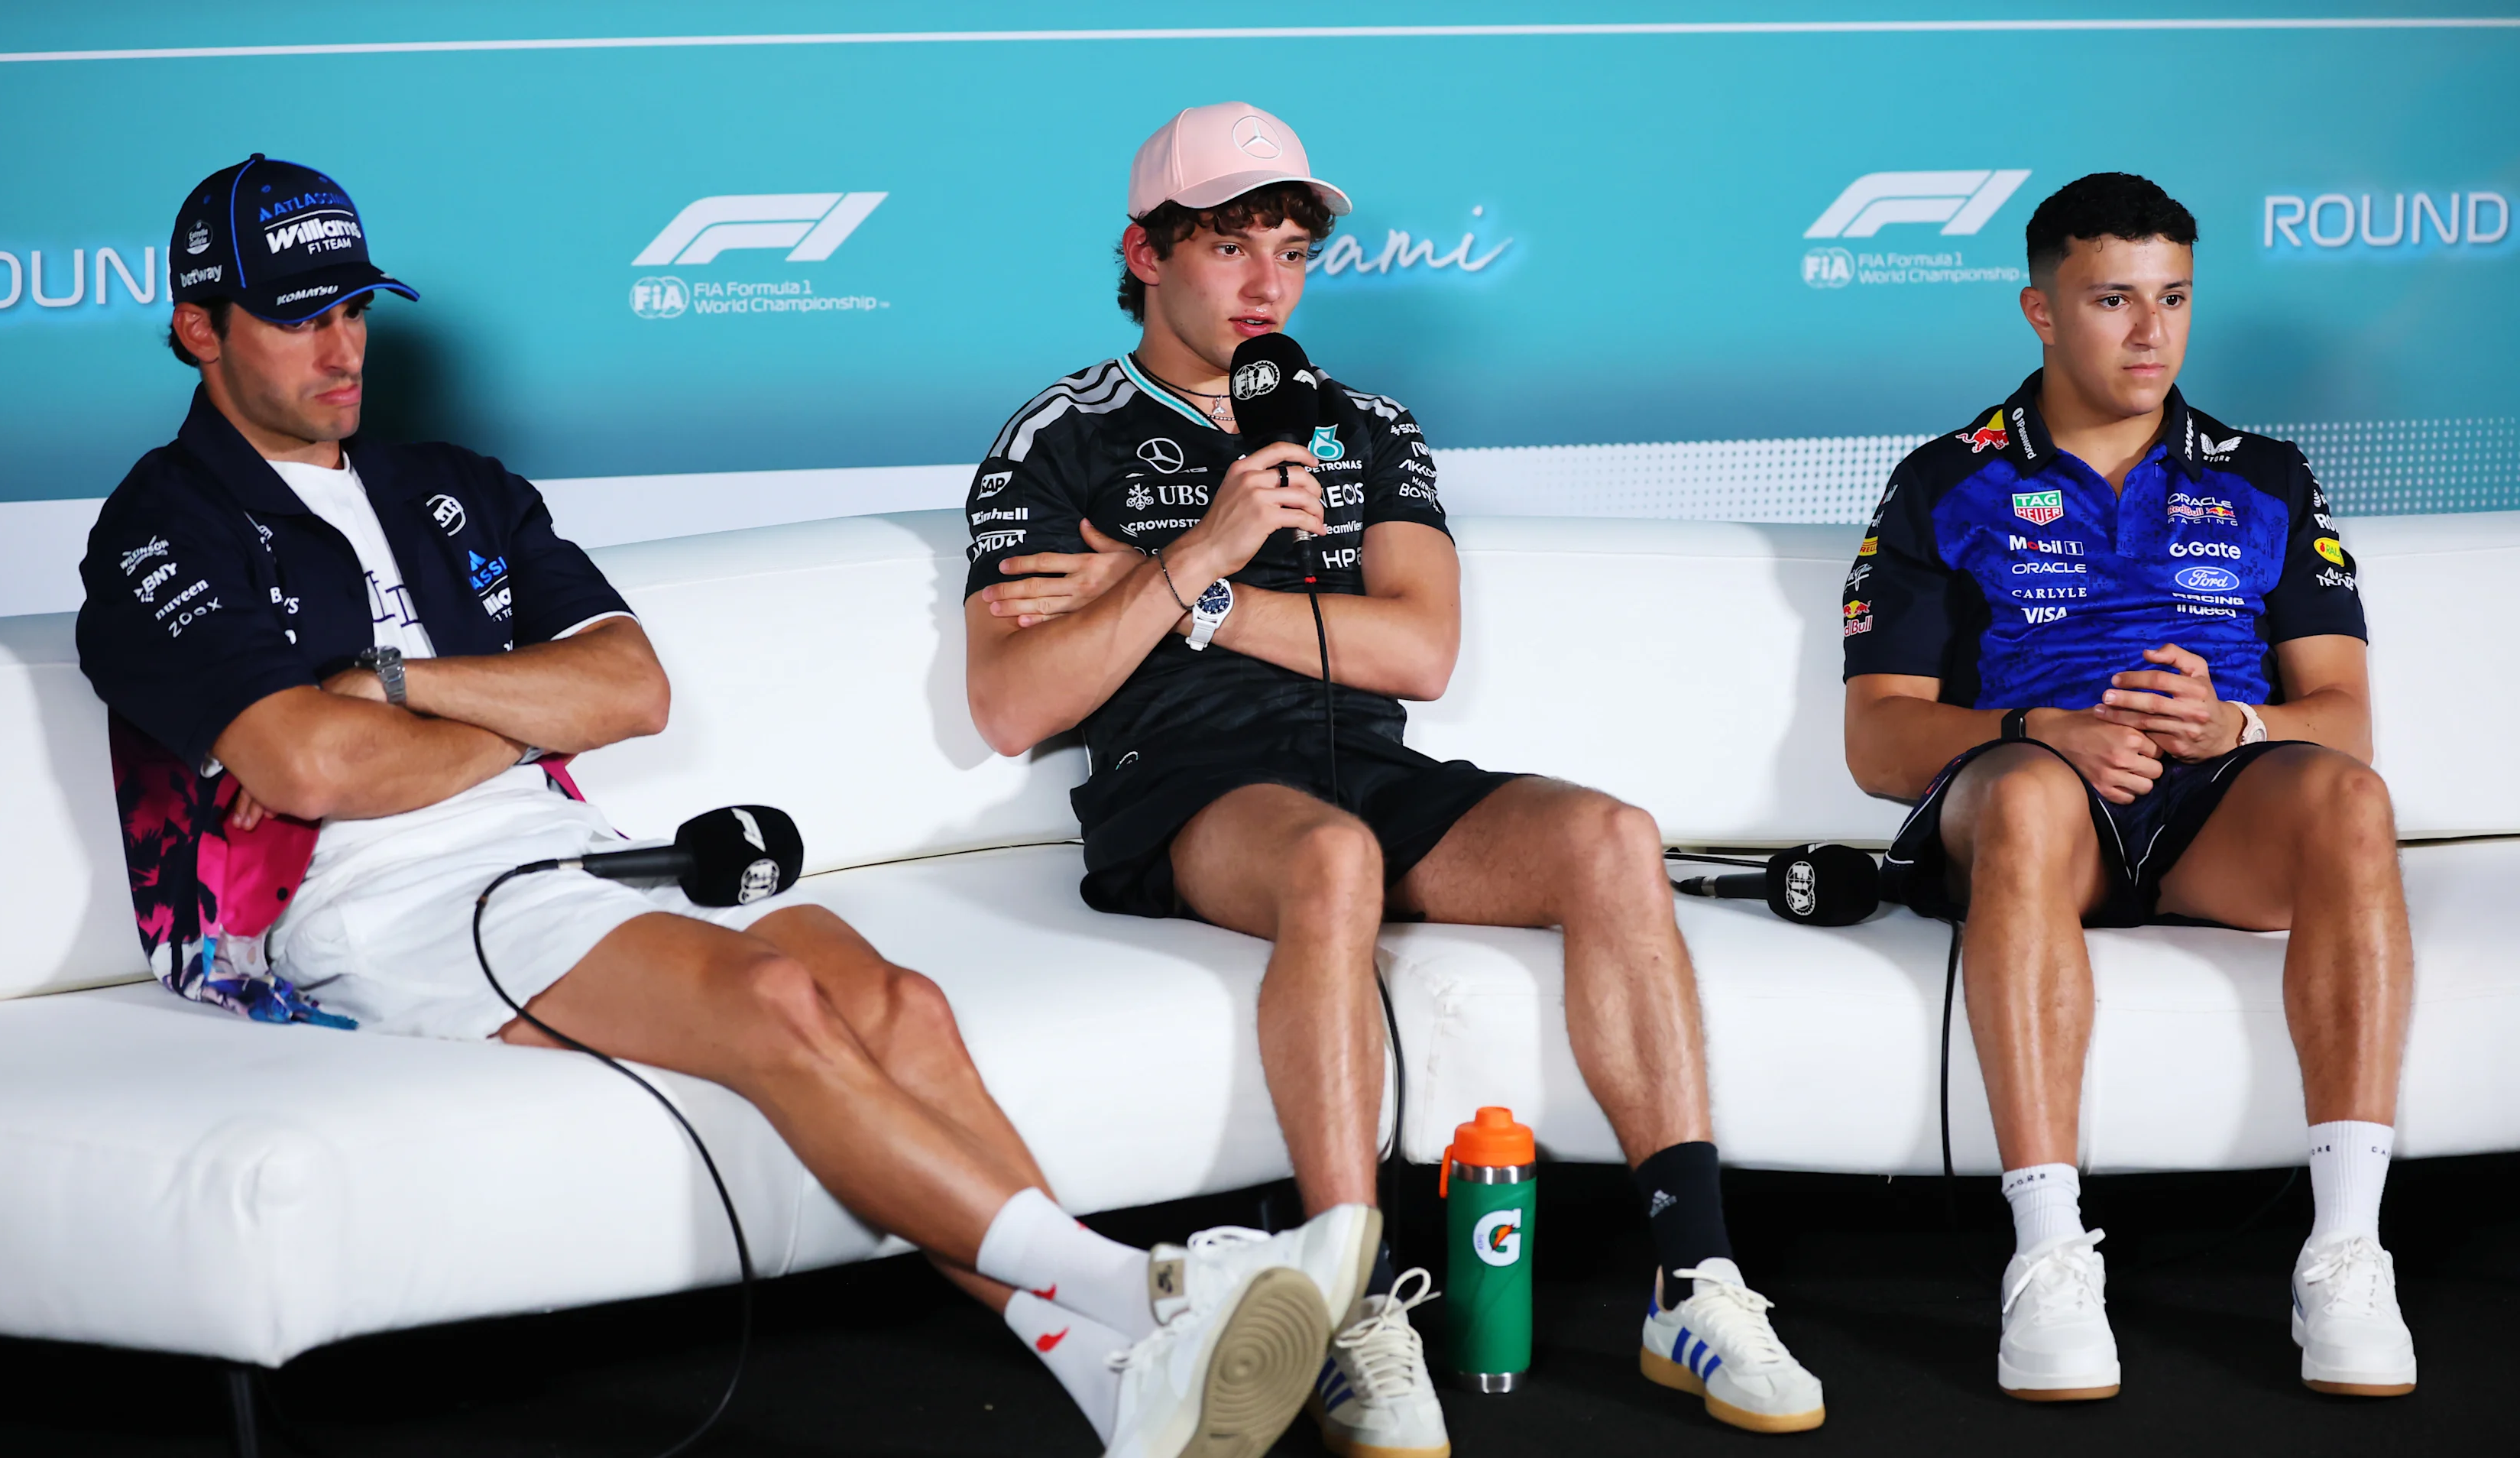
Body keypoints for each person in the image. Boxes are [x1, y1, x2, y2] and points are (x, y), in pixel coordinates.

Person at [78, 154, 1373, 1458]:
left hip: (560, 848)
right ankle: (1135, 1291)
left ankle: (1117, 1387)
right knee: (772, 1004)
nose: (343, 345)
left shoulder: (451, 484)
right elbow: (312, 769)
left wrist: (401, 689)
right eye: (300, 316)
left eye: (355, 308)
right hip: (373, 901)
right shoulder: (160, 524)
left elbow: (630, 690)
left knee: (898, 1002)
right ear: (200, 328)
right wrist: (518, 721)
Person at [961, 103, 1826, 1447]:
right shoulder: (1057, 434)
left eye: (1292, 252)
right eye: (1230, 247)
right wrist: (1211, 541)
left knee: (1612, 837)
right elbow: (1011, 702)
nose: (1267, 284)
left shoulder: (1360, 425)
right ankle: (1345, 1292)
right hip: (1184, 788)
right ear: (1143, 252)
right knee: (1330, 860)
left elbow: (1419, 651)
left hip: (1363, 763)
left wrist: (1176, 592)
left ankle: (1691, 1272)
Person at [1842, 173, 2416, 1402]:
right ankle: (2049, 1258)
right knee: (2032, 795)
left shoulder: (2265, 473)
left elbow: (2347, 725)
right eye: (2113, 300)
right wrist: (2033, 727)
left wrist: (2236, 722)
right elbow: (1877, 742)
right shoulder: (1948, 478)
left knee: (2351, 806)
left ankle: (2349, 1252)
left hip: (2216, 811)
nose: (2151, 332)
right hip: (2035, 814)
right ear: (2041, 311)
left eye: (2174, 299)